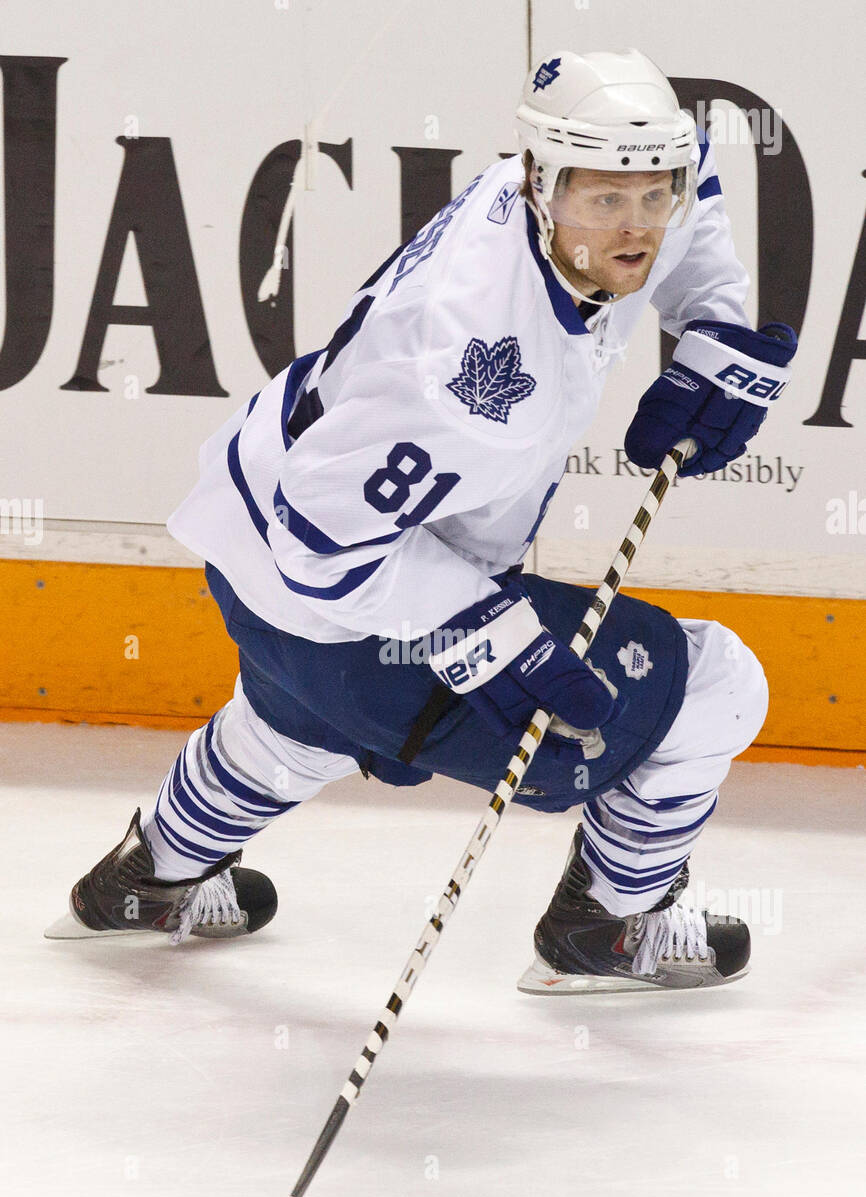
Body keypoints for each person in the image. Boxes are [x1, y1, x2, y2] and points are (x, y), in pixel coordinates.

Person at [50, 49, 797, 993]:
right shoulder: (475, 371)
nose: (638, 226)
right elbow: (324, 549)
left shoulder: (553, 185)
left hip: (249, 565)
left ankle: (144, 882)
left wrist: (713, 329)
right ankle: (605, 927)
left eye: (655, 196)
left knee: (298, 724)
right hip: (333, 591)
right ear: (543, 182)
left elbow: (693, 183)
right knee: (717, 687)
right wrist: (494, 635)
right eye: (607, 201)